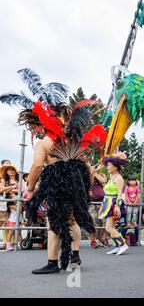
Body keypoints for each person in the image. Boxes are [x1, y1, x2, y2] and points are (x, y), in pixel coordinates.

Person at [25, 102, 105, 274]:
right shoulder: (73, 142)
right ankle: (74, 255)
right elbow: (88, 167)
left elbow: (37, 166)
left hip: (57, 184)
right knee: (72, 220)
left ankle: (53, 262)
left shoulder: (44, 142)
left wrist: (30, 188)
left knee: (53, 222)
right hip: (76, 183)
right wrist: (88, 188)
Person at [98, 152, 129, 256]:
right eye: (108, 165)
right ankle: (117, 247)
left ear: (116, 167)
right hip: (108, 203)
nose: (108, 167)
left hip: (113, 204)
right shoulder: (111, 177)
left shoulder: (119, 178)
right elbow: (106, 194)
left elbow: (120, 194)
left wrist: (117, 207)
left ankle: (123, 244)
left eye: (110, 165)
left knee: (109, 228)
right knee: (112, 227)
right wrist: (102, 206)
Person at [88, 164, 107, 248]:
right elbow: (89, 184)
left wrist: (94, 172)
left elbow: (103, 181)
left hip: (101, 200)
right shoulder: (84, 174)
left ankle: (100, 240)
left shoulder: (98, 174)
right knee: (92, 219)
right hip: (90, 201)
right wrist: (90, 173)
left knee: (101, 221)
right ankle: (92, 240)